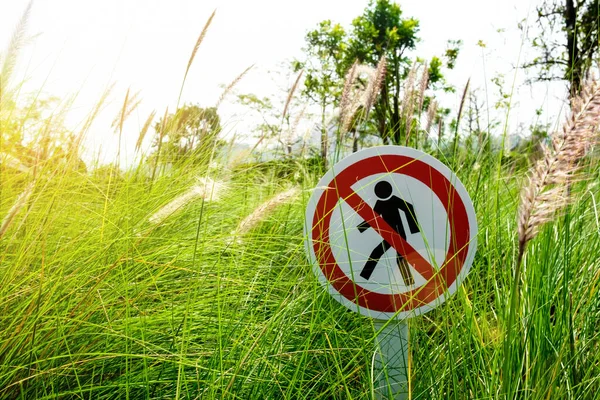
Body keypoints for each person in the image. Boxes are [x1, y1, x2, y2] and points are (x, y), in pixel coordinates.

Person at [357, 180, 420, 284]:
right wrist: (360, 228)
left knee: (397, 258)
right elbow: (372, 218)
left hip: (399, 233)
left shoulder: (395, 200)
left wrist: (414, 228)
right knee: (381, 254)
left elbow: (409, 207)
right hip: (388, 235)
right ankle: (363, 279)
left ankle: (409, 283)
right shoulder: (380, 203)